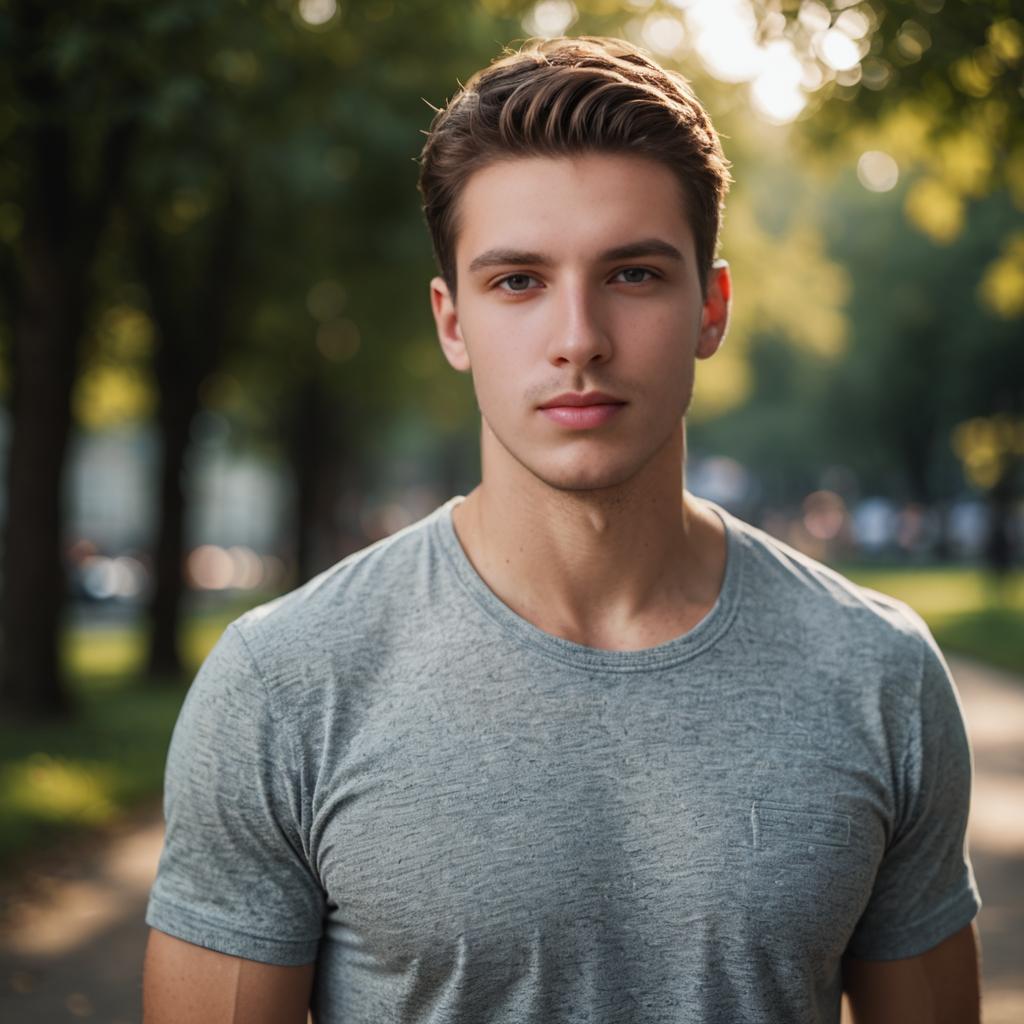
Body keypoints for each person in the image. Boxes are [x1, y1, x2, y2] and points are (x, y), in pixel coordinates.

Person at [142, 36, 982, 1024]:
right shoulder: (285, 685)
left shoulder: (875, 672)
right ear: (451, 323)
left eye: (631, 275)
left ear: (710, 307)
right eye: (517, 282)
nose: (577, 336)